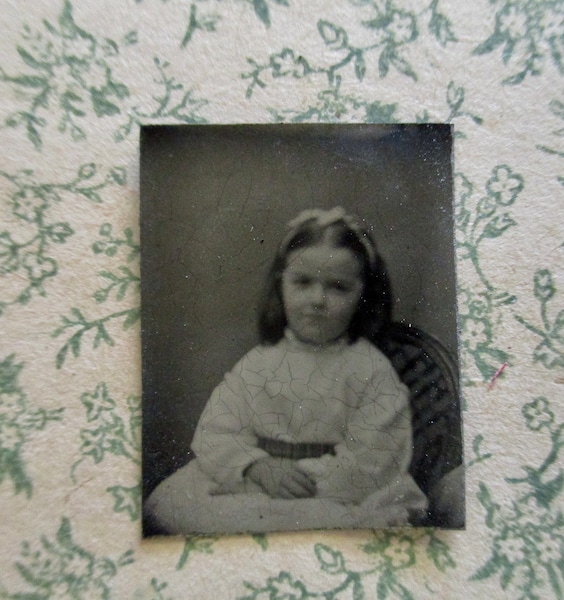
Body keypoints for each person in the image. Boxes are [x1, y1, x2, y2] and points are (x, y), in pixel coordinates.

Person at [144, 207, 427, 534]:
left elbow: (375, 459)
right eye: (303, 282)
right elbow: (216, 432)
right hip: (257, 485)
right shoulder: (259, 363)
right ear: (281, 285)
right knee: (172, 503)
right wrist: (258, 468)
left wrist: (303, 482)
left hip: (333, 493)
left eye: (338, 287)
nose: (318, 299)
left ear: (365, 295)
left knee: (342, 521)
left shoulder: (371, 369)